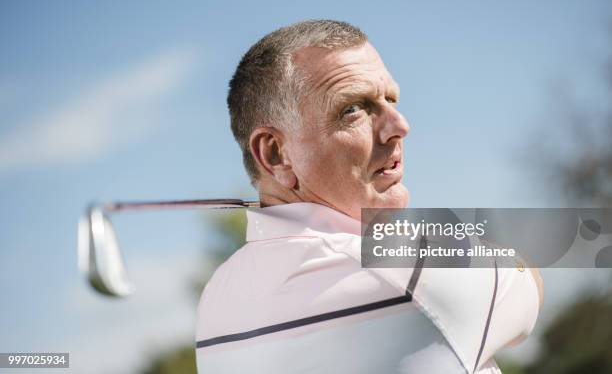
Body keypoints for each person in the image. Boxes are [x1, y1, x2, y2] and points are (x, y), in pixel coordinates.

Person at [195, 20, 542, 373]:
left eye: (391, 99)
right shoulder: (404, 270)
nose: (399, 126)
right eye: (353, 109)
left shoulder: (215, 297)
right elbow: (529, 274)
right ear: (274, 154)